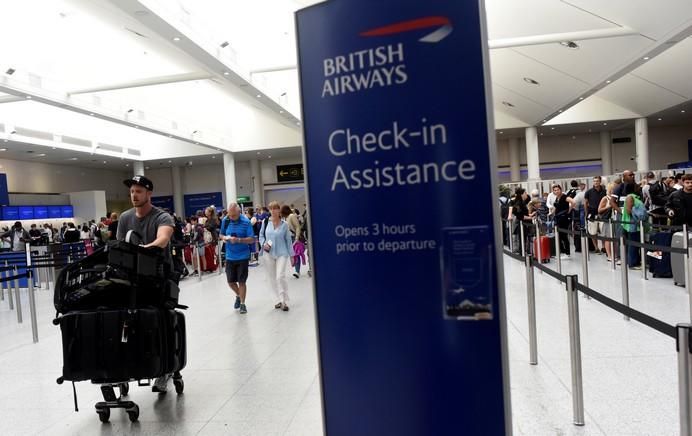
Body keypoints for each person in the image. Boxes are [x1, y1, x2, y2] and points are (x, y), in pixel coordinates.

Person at [116, 175, 176, 393]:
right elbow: (121, 245)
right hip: (133, 278)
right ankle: (122, 368)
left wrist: (144, 250)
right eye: (132, 191)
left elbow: (163, 239)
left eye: (139, 191)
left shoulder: (162, 217)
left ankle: (165, 369)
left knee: (161, 319)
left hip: (160, 277)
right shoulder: (125, 218)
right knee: (124, 319)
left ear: (149, 194)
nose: (134, 195)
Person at [219, 203, 255, 314]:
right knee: (230, 282)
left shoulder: (246, 222)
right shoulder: (226, 220)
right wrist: (224, 237)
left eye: (234, 215)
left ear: (239, 212)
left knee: (242, 281)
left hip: (243, 256)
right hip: (230, 256)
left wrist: (239, 240)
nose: (231, 218)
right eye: (230, 215)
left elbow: (251, 239)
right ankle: (238, 295)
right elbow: (221, 234)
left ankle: (243, 304)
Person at [259, 201, 295, 311]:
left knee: (280, 276)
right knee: (271, 278)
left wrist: (292, 255)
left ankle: (284, 301)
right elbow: (261, 235)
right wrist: (263, 243)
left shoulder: (284, 225)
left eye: (275, 208)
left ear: (279, 210)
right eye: (271, 209)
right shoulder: (265, 222)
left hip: (282, 253)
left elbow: (288, 241)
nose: (273, 211)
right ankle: (277, 300)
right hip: (268, 253)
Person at [551, 184, 575, 257]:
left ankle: (567, 253)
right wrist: (551, 213)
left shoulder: (564, 197)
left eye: (558, 189)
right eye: (555, 190)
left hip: (564, 218)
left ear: (560, 190)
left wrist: (569, 210)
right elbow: (556, 207)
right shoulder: (557, 198)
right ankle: (563, 251)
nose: (556, 191)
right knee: (560, 236)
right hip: (558, 218)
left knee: (564, 236)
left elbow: (573, 202)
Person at [584, 176, 606, 253]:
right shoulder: (588, 192)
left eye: (597, 181)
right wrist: (586, 214)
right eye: (594, 181)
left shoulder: (604, 191)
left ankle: (604, 247)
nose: (596, 182)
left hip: (602, 214)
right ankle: (596, 248)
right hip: (592, 214)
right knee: (593, 232)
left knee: (603, 232)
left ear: (600, 182)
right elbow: (586, 203)